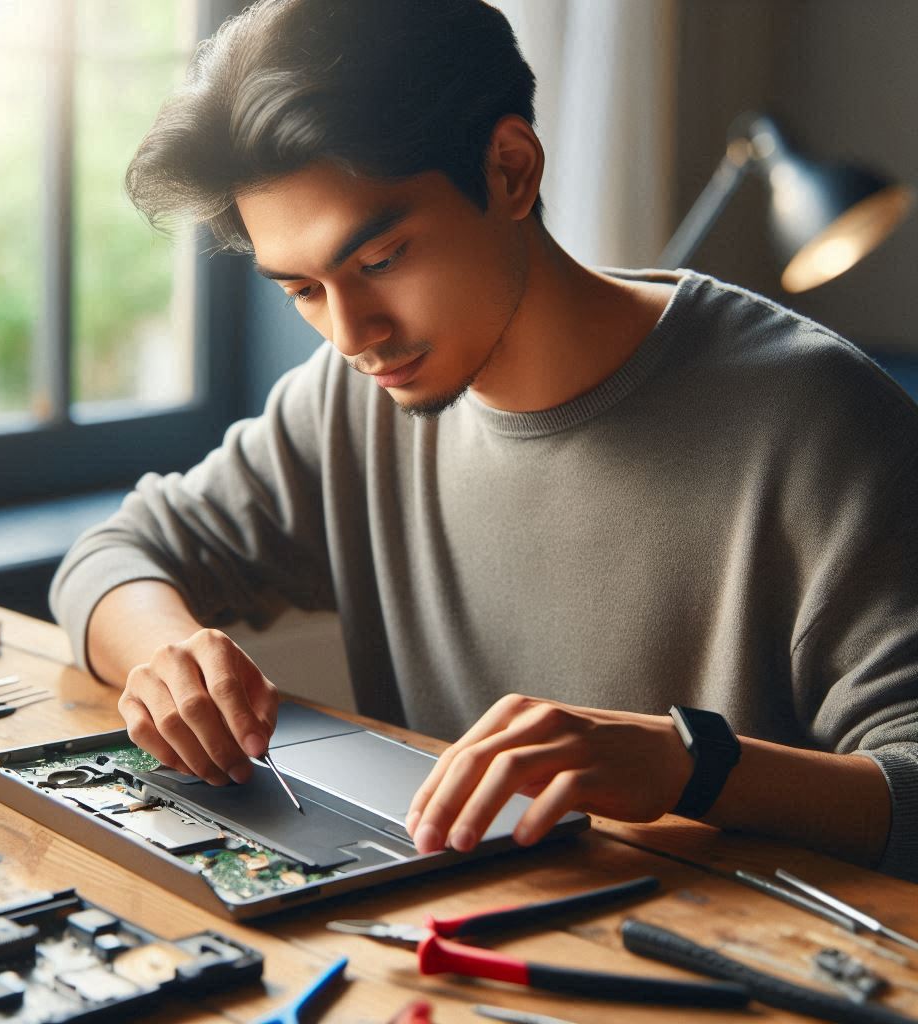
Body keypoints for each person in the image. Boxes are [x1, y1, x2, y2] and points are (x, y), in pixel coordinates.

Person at [50, 0, 918, 881]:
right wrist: (167, 657)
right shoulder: (348, 405)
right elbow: (115, 555)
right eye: (303, 290)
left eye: (381, 260)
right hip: (467, 940)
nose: (353, 334)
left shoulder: (822, 419)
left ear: (509, 169)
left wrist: (688, 767)